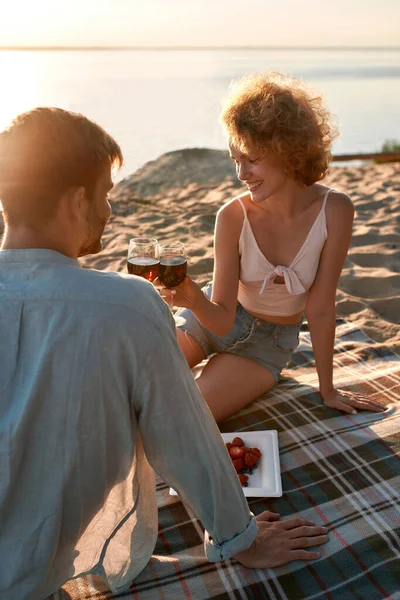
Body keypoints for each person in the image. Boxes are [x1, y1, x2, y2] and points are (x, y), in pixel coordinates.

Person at [0, 107, 329, 600]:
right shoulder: (127, 305)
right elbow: (185, 436)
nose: (110, 211)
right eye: (106, 195)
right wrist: (243, 540)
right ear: (76, 201)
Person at [170, 72, 385, 422]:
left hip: (267, 346)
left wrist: (327, 390)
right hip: (211, 319)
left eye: (251, 159)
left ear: (288, 152)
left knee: (185, 419)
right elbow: (221, 319)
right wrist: (192, 298)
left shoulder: (336, 210)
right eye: (234, 160)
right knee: (136, 389)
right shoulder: (232, 216)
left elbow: (319, 306)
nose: (241, 173)